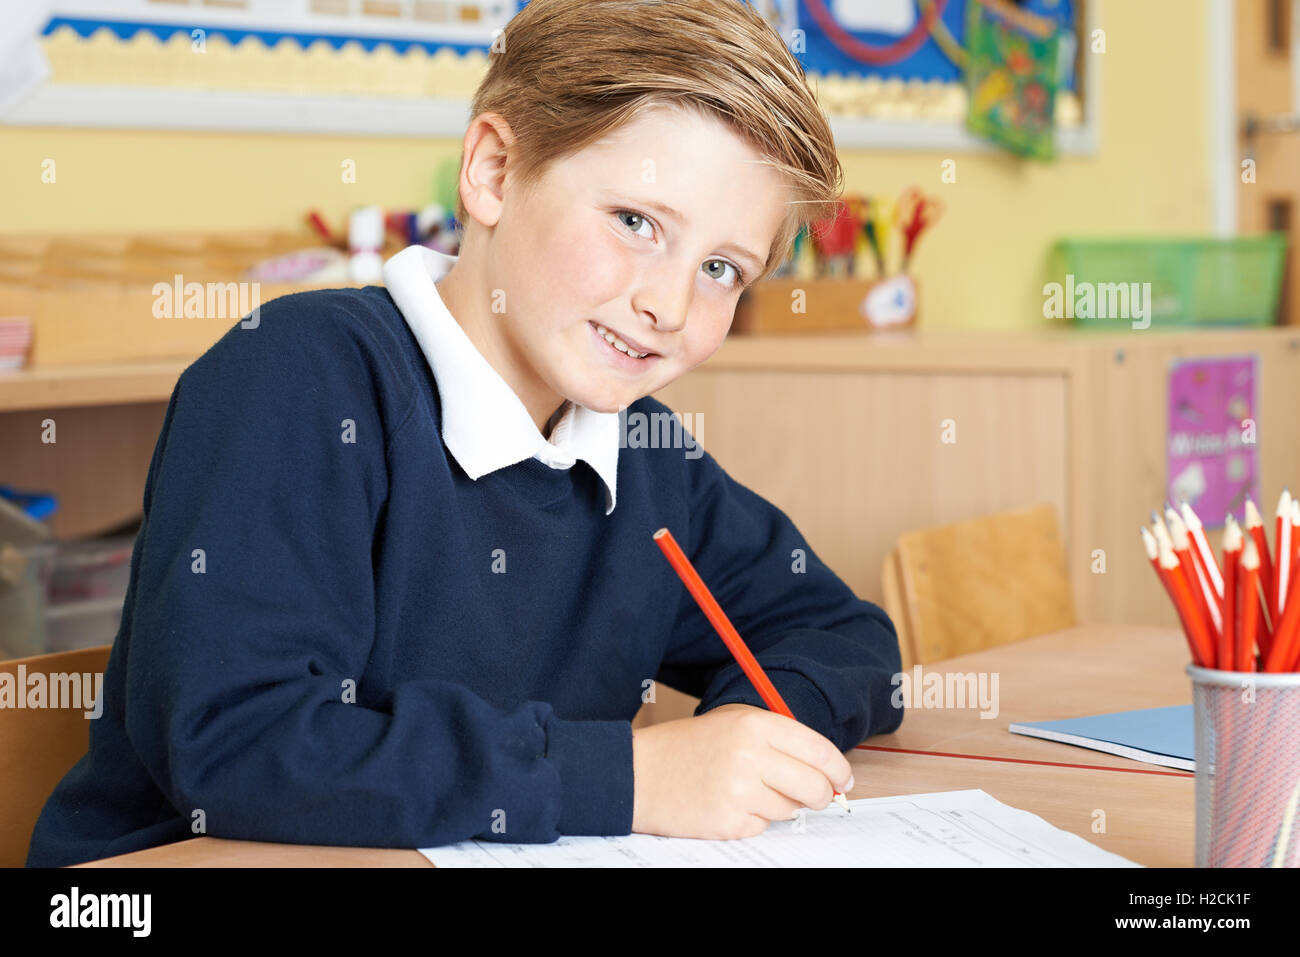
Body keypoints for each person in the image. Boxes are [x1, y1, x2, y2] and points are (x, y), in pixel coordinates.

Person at [27, 0, 902, 867]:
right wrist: (631, 777)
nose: (668, 306)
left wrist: (749, 741)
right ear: (491, 170)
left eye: (721, 269)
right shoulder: (298, 378)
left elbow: (846, 637)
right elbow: (235, 743)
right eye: (635, 223)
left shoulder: (642, 451)